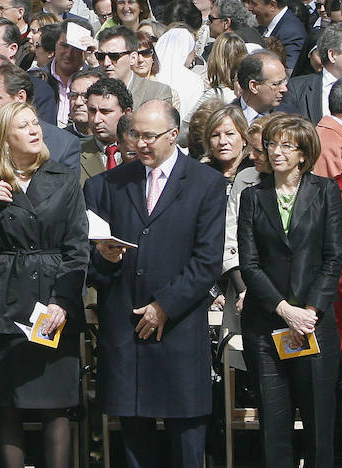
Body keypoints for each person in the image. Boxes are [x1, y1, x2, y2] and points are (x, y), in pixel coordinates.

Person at [85, 99, 226, 468]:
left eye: (150, 136)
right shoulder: (109, 185)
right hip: (126, 329)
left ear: (174, 135)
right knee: (134, 439)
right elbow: (90, 262)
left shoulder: (205, 183)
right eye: (135, 135)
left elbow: (207, 260)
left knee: (187, 439)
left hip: (177, 328)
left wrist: (165, 305)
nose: (140, 144)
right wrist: (105, 257)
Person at [0, 101, 87, 468]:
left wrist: (63, 301)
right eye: (23, 126)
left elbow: (77, 248)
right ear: (5, 137)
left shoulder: (63, 177)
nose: (34, 130)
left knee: (56, 404)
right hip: (4, 301)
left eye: (35, 123)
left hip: (52, 297)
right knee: (8, 405)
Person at [237, 114, 342, 468]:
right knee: (273, 422)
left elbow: (333, 258)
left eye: (287, 145)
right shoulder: (253, 196)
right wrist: (285, 310)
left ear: (303, 153)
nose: (277, 152)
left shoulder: (325, 191)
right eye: (272, 144)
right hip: (266, 324)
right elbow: (249, 264)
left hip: (313, 323)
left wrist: (309, 311)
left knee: (319, 425)